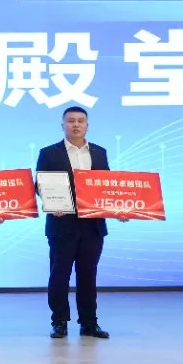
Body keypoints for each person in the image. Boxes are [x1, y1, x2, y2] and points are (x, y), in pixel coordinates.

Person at [38, 106, 119, 339]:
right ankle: (59, 321)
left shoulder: (99, 152)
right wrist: (51, 202)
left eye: (80, 121)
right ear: (62, 125)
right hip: (61, 224)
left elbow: (107, 186)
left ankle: (89, 323)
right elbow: (40, 184)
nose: (76, 124)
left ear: (87, 125)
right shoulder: (49, 153)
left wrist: (119, 208)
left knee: (88, 275)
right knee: (59, 275)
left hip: (93, 224)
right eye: (71, 120)